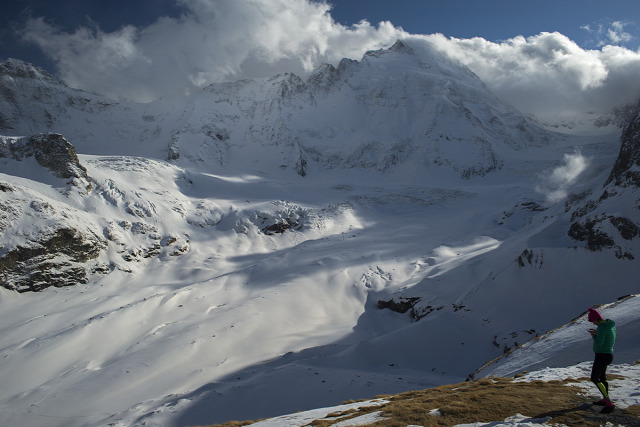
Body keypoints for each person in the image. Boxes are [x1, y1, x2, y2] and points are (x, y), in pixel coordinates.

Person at [587, 307, 617, 414]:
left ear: (596, 319)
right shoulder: (609, 326)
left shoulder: (601, 328)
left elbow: (599, 343)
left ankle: (609, 403)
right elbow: (611, 339)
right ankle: (605, 400)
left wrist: (594, 336)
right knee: (602, 377)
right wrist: (597, 334)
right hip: (608, 354)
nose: (592, 323)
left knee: (594, 378)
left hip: (601, 355)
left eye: (592, 320)